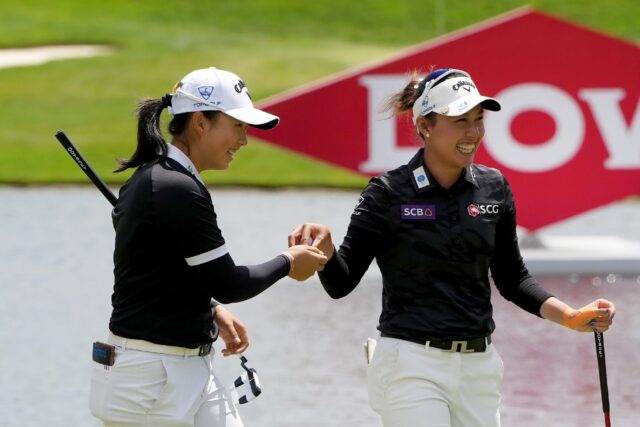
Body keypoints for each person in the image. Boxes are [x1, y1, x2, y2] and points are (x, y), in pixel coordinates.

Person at [289, 67, 616, 427]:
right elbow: (342, 282)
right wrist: (327, 249)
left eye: (478, 119)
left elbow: (511, 278)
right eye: (460, 120)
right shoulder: (387, 194)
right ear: (425, 127)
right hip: (411, 364)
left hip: (479, 366)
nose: (473, 133)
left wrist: (569, 317)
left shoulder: (494, 188)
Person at [90, 66, 328, 427]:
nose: (244, 140)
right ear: (201, 123)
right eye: (238, 126)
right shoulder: (173, 186)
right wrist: (288, 263)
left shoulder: (165, 179)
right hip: (147, 378)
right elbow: (230, 283)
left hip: (189, 367)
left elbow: (167, 270)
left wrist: (210, 307)